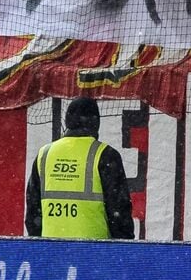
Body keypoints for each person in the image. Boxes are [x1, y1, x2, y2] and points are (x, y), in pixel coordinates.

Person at [24, 97, 133, 239]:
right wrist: (123, 249)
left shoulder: (44, 154)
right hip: (94, 252)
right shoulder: (105, 155)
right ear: (96, 123)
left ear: (67, 121)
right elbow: (119, 211)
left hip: (51, 251)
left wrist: (40, 248)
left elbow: (33, 212)